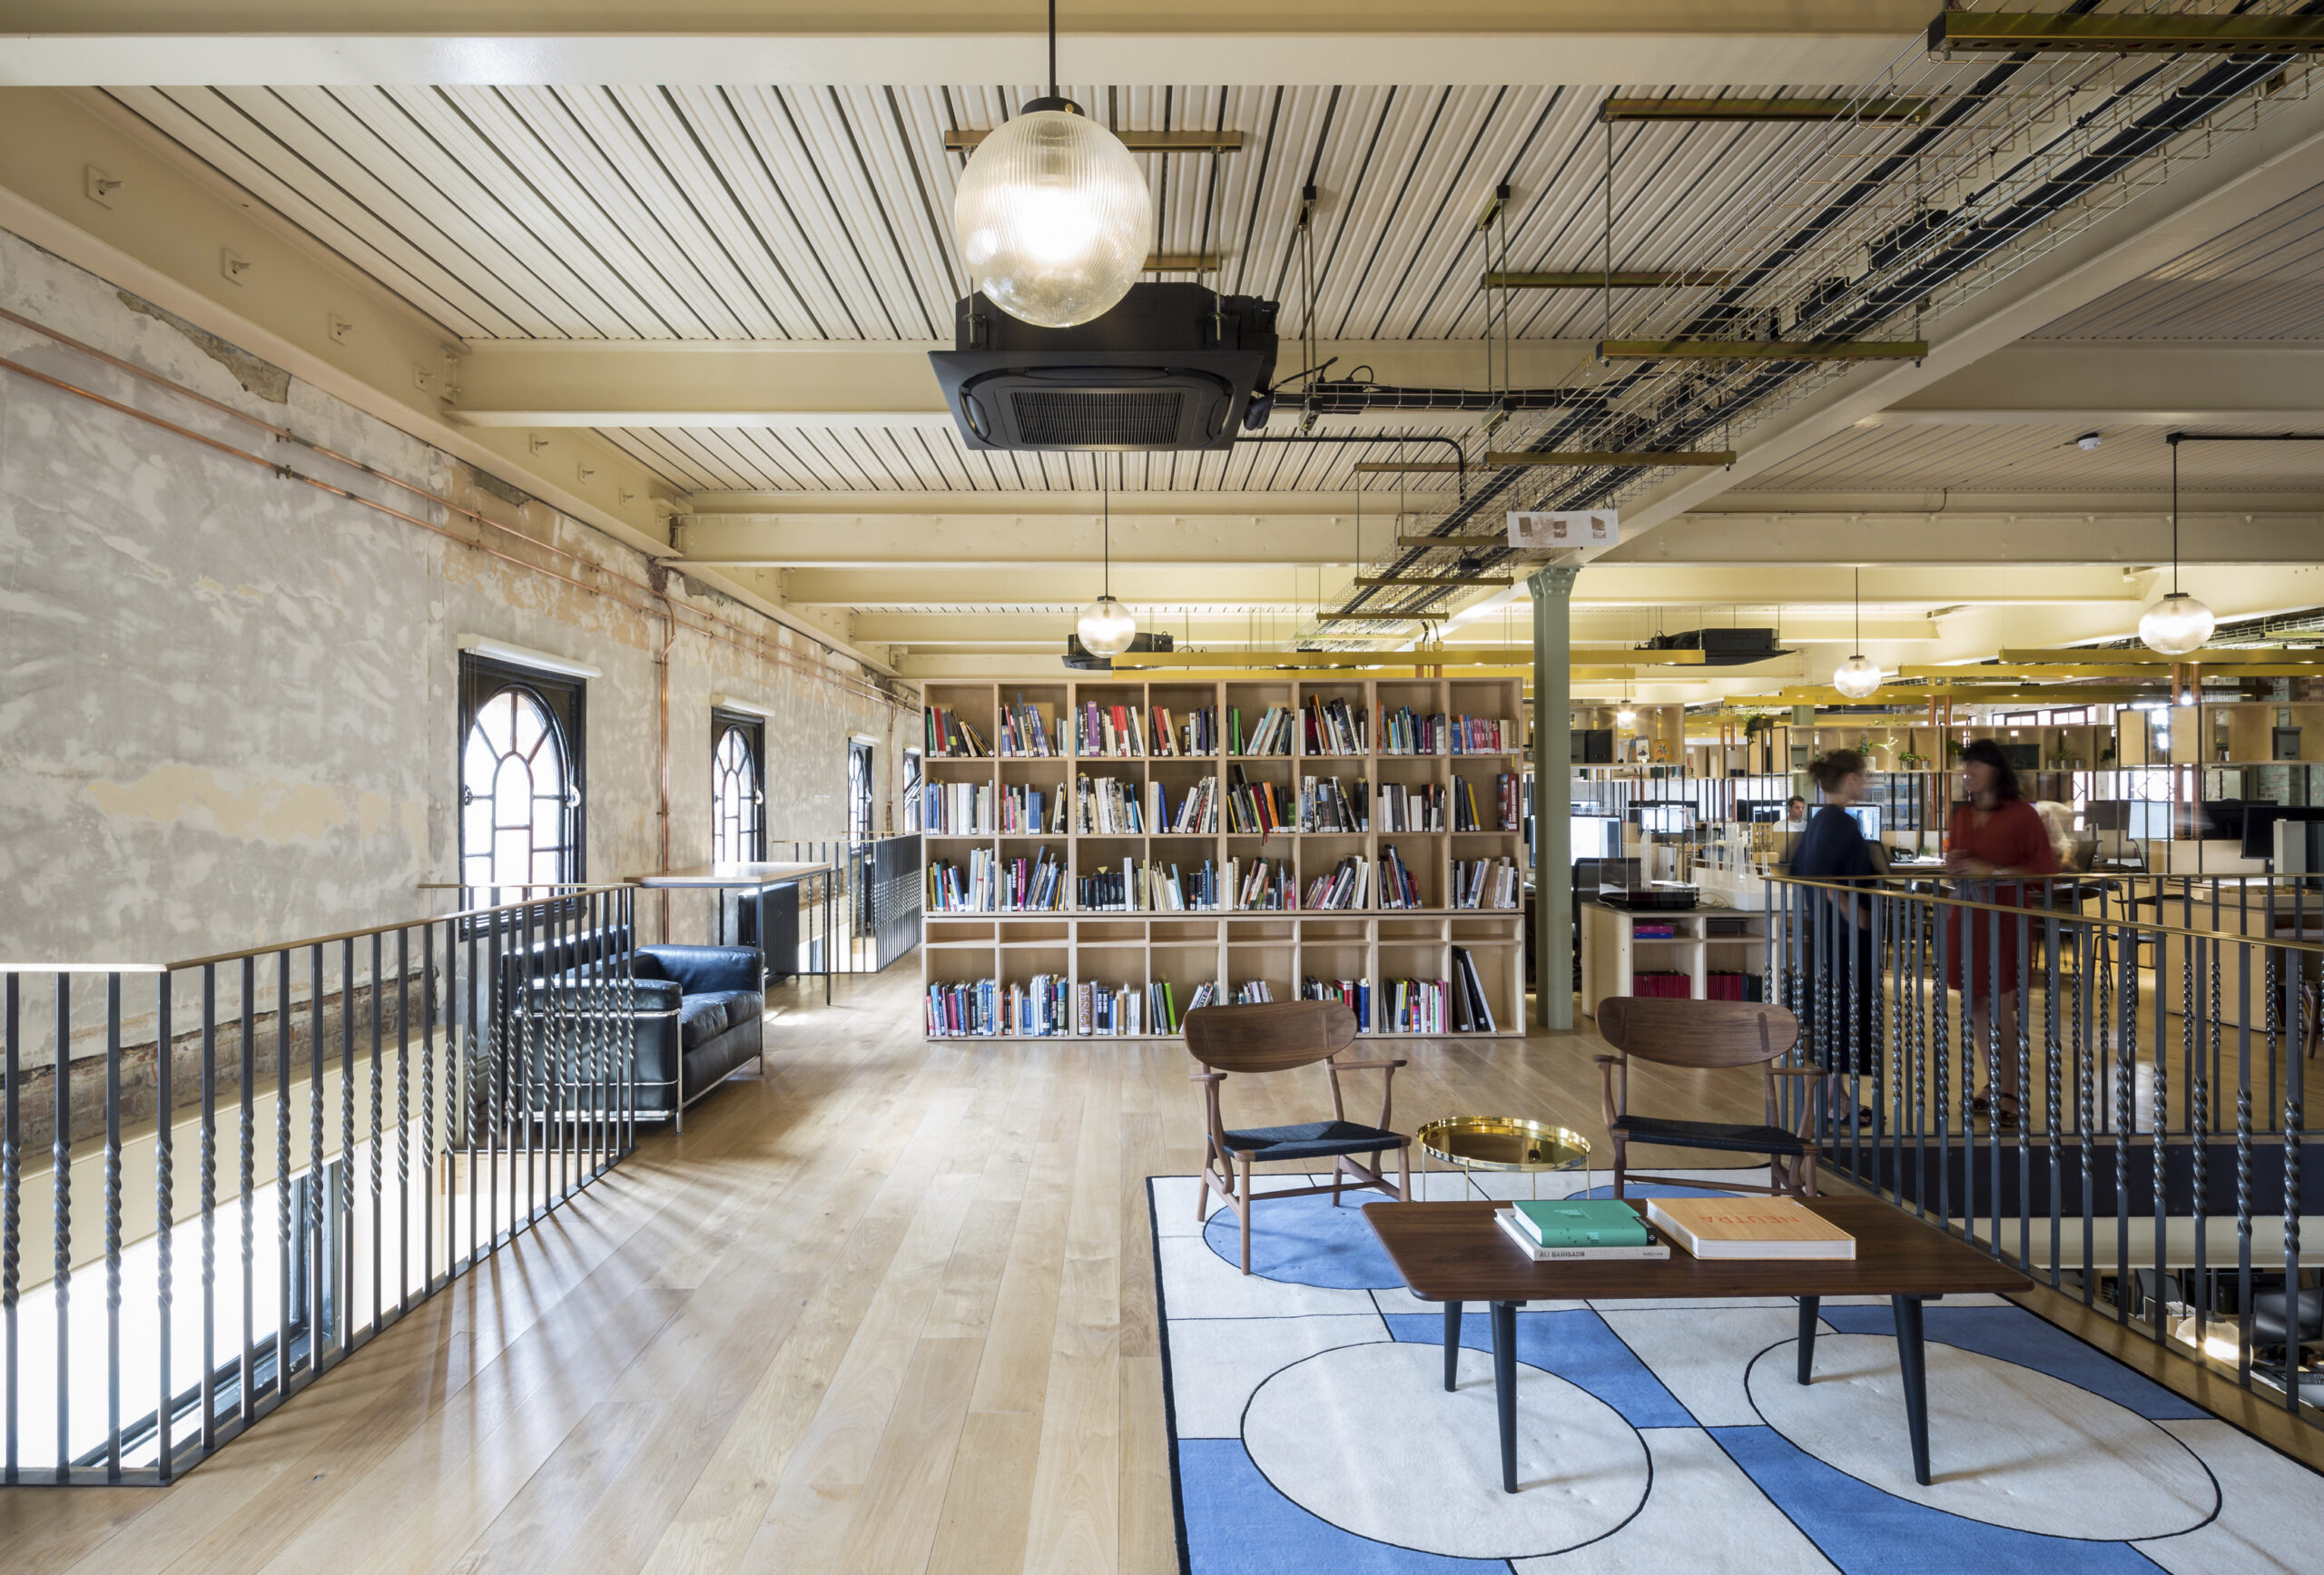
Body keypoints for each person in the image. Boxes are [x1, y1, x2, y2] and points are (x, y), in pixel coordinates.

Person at [1945, 738, 2059, 1127]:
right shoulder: (1961, 816)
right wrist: (1957, 865)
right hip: (1969, 914)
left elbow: (2044, 871)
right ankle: (1994, 1081)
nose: (1968, 773)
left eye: (1976, 765)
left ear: (1996, 770)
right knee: (1976, 1004)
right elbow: (1963, 860)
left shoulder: (2021, 816)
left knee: (1999, 1006)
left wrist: (1990, 872)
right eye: (1966, 766)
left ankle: (2010, 1088)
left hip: (2003, 917)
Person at [1790, 752, 1879, 1128]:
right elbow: (1826, 880)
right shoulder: (1839, 823)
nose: (1865, 783)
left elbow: (1803, 873)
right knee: (1843, 1014)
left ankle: (1835, 1097)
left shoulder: (1818, 821)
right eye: (1861, 776)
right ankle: (1833, 1101)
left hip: (1828, 935)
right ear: (1849, 778)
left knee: (1833, 1013)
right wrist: (1853, 912)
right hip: (1844, 937)